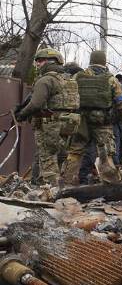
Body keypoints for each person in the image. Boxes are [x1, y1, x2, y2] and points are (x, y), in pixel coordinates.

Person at [61, 50, 122, 185]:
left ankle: (67, 183)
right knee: (106, 152)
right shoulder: (111, 79)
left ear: (91, 61)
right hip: (102, 122)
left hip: (80, 121)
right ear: (104, 62)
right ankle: (111, 184)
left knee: (75, 152)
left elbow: (68, 99)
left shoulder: (77, 77)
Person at [14, 48, 80, 186]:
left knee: (48, 158)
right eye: (37, 61)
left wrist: (21, 114)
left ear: (51, 61)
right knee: (61, 156)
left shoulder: (46, 80)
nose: (37, 64)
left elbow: (36, 104)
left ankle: (52, 190)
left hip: (49, 124)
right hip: (68, 124)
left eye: (40, 60)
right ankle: (52, 185)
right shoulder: (69, 79)